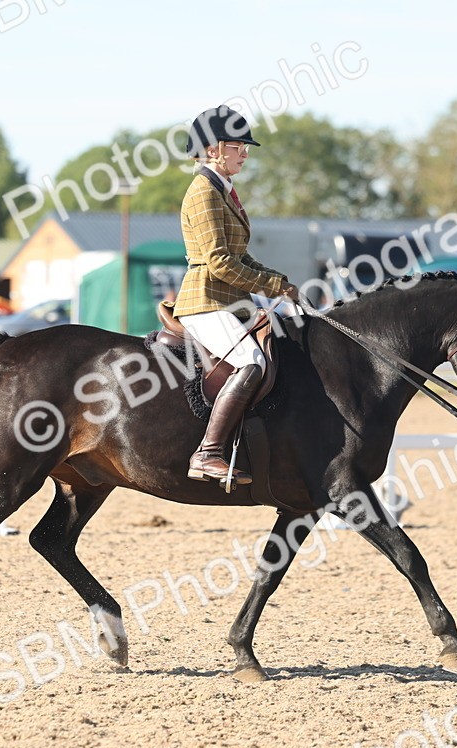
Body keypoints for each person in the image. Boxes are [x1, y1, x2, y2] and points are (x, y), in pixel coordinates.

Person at [173, 105, 299, 484]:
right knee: (251, 362)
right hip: (205, 300)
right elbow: (220, 264)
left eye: (246, 146)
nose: (244, 152)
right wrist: (272, 286)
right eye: (237, 145)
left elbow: (241, 256)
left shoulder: (223, 190)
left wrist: (280, 280)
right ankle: (207, 453)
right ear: (213, 149)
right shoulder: (203, 193)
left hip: (228, 301)